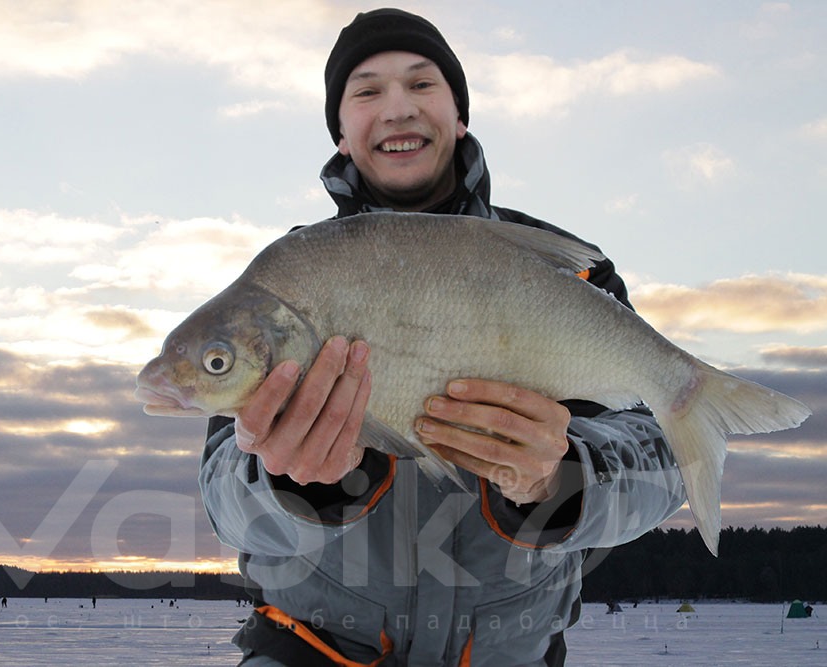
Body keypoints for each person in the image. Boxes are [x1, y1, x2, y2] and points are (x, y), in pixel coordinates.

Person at [200, 8, 687, 666]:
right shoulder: (290, 280)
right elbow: (223, 491)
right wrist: (295, 481)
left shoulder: (572, 273)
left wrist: (561, 477)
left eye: (422, 84)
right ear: (341, 133)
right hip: (313, 649)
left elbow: (665, 455)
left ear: (460, 116)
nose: (397, 107)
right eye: (368, 91)